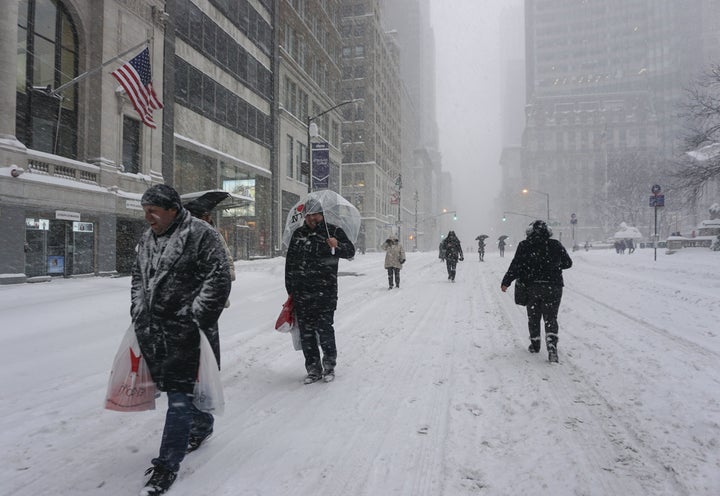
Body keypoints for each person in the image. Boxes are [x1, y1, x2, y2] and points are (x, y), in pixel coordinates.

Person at [131, 184, 232, 495]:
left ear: (173, 210)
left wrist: (194, 318)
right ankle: (202, 426)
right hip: (155, 330)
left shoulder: (202, 234)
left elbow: (219, 279)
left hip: (190, 332)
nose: (148, 216)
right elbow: (138, 278)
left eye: (153, 210)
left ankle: (166, 465)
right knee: (183, 389)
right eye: (145, 210)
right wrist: (138, 310)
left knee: (179, 396)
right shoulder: (148, 238)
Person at [285, 198, 356, 384]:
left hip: (326, 292)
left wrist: (337, 246)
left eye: (314, 214)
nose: (310, 218)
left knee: (325, 330)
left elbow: (350, 252)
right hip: (302, 294)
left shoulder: (332, 231)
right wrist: (291, 288)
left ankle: (329, 366)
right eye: (307, 215)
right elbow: (290, 263)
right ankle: (313, 369)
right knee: (306, 334)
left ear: (321, 215)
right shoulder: (298, 234)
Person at [500, 220, 572, 363]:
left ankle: (535, 343)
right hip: (553, 286)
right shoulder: (555, 245)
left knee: (534, 316)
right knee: (551, 317)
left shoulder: (524, 245)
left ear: (530, 231)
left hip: (532, 286)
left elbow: (516, 265)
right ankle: (552, 347)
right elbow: (568, 263)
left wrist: (506, 282)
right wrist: (553, 267)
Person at [184, 199, 236, 307]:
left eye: (209, 215)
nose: (209, 218)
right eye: (205, 215)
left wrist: (226, 274)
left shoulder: (213, 234)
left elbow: (226, 258)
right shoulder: (185, 236)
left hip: (210, 294)